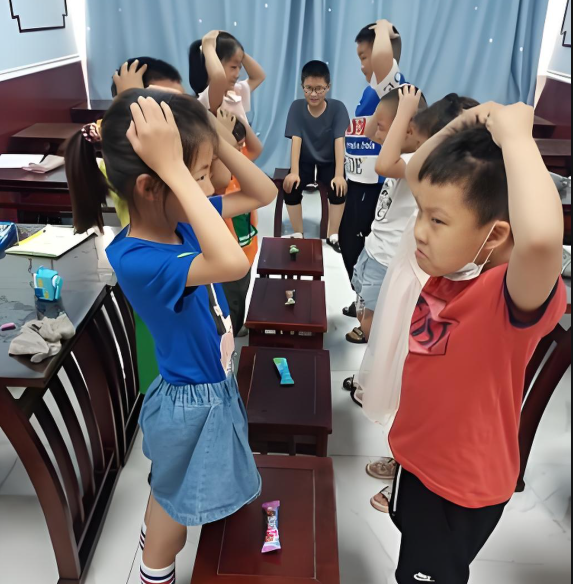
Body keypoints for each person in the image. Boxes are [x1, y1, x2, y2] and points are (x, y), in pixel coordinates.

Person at [65, 89, 277, 583]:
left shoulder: (180, 220)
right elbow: (231, 262)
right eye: (198, 175)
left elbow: (262, 193)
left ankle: (153, 543)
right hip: (190, 406)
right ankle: (153, 569)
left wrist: (212, 138)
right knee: (173, 515)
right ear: (150, 186)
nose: (209, 184)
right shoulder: (138, 258)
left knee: (170, 493)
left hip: (209, 389)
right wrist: (178, 171)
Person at [386, 103, 567, 583]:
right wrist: (468, 120)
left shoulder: (508, 297)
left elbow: (541, 241)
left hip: (458, 486)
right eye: (420, 213)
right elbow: (419, 172)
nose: (419, 231)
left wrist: (517, 138)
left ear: (496, 234)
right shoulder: (454, 272)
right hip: (419, 461)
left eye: (437, 221)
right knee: (411, 555)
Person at [345, 85, 427, 345]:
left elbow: (382, 165)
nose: (376, 134)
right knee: (364, 310)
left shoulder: (418, 160)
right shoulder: (404, 153)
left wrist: (403, 113)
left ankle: (381, 357)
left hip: (388, 259)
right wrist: (385, 105)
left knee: (374, 325)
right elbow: (368, 132)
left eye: (382, 127)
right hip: (374, 250)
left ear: (408, 129)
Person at [340, 19, 405, 319]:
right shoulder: (372, 90)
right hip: (358, 180)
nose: (362, 65)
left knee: (357, 240)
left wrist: (382, 28)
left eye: (364, 57)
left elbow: (383, 58)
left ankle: (367, 304)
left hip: (372, 184)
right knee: (348, 239)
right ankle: (362, 299)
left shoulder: (390, 85)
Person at [283, 60, 350, 250]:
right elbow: (296, 140)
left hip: (329, 161)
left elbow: (339, 142)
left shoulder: (338, 108)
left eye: (319, 89)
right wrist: (294, 172)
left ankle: (333, 235)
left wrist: (339, 175)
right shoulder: (296, 107)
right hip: (305, 161)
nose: (313, 94)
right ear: (302, 86)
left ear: (328, 87)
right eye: (309, 88)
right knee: (291, 186)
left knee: (338, 188)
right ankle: (298, 232)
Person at [217, 109, 264, 336]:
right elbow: (221, 179)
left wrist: (241, 117)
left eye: (240, 146)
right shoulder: (218, 175)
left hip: (247, 249)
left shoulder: (239, 164)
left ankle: (237, 325)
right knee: (231, 299)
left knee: (243, 291)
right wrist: (222, 136)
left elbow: (257, 149)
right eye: (234, 147)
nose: (239, 152)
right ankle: (232, 331)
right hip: (229, 256)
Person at [189, 30, 266, 121]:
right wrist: (208, 45)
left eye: (239, 67)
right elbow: (219, 77)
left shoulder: (234, 92)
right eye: (233, 67)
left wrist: (237, 50)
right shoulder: (207, 100)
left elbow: (259, 76)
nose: (238, 74)